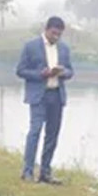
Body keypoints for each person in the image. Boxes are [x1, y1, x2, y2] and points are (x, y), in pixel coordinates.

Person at [17, 16, 74, 184]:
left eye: (59, 35)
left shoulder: (64, 49)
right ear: (46, 29)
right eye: (54, 33)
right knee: (35, 132)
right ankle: (27, 172)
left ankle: (45, 172)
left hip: (57, 95)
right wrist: (41, 74)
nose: (56, 37)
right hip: (38, 96)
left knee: (52, 134)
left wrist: (62, 72)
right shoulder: (31, 46)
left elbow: (71, 71)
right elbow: (20, 71)